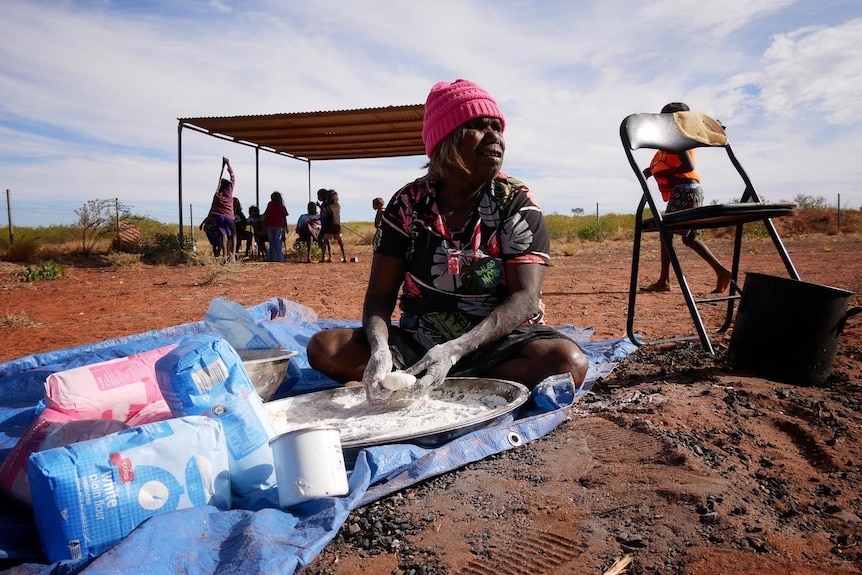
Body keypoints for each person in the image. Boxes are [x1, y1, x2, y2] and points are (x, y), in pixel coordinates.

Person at [307, 78, 589, 405]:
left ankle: (435, 379)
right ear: (447, 140)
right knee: (323, 348)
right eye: (480, 127)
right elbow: (380, 295)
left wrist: (456, 349)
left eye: (498, 128)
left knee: (566, 362)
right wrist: (380, 348)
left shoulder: (515, 202)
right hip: (419, 342)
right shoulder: (407, 205)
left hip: (498, 343)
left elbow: (526, 298)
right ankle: (434, 378)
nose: (495, 137)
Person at [640, 102, 731, 294]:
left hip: (685, 189)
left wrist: (667, 174)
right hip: (686, 190)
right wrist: (654, 170)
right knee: (684, 237)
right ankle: (720, 271)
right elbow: (670, 162)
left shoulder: (679, 138)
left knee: (668, 233)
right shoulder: (674, 140)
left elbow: (688, 166)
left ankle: (666, 281)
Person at [206, 157, 235, 260]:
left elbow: (218, 183)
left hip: (219, 217)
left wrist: (221, 169)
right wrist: (228, 165)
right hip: (229, 217)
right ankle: (233, 256)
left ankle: (224, 256)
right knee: (233, 235)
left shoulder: (217, 195)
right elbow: (233, 177)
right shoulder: (229, 192)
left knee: (223, 236)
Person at [320, 189, 347, 263]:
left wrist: (320, 207)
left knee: (325, 242)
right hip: (337, 226)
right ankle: (344, 257)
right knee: (340, 242)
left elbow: (325, 214)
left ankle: (323, 257)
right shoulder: (338, 205)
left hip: (329, 227)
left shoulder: (327, 206)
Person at [263, 191, 289, 262]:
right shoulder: (273, 206)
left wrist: (285, 228)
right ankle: (276, 258)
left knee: (275, 242)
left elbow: (283, 218)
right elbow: (266, 216)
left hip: (275, 227)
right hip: (273, 226)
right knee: (275, 242)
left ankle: (276, 258)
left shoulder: (279, 207)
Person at [316, 188, 332, 262]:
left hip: (326, 225)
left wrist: (319, 206)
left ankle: (324, 256)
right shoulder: (325, 203)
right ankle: (328, 256)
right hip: (324, 224)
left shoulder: (326, 203)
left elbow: (326, 211)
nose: (318, 197)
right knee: (326, 241)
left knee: (322, 240)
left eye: (318, 196)